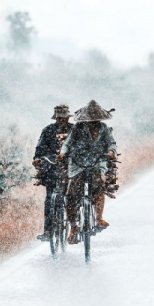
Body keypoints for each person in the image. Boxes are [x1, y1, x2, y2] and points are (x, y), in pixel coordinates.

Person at [59, 100, 117, 244]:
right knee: (71, 194)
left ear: (99, 118)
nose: (93, 122)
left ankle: (98, 218)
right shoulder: (77, 128)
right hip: (78, 163)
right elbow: (68, 143)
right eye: (90, 120)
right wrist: (63, 153)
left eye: (95, 120)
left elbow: (111, 143)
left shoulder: (104, 128)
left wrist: (111, 151)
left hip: (98, 161)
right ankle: (73, 227)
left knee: (99, 187)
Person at [33, 104, 73, 241]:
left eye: (64, 117)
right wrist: (38, 158)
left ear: (68, 117)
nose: (62, 120)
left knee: (72, 198)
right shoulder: (48, 130)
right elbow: (40, 147)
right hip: (52, 169)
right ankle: (48, 231)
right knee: (50, 199)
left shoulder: (74, 130)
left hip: (71, 169)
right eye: (60, 117)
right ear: (56, 117)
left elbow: (80, 147)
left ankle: (75, 226)